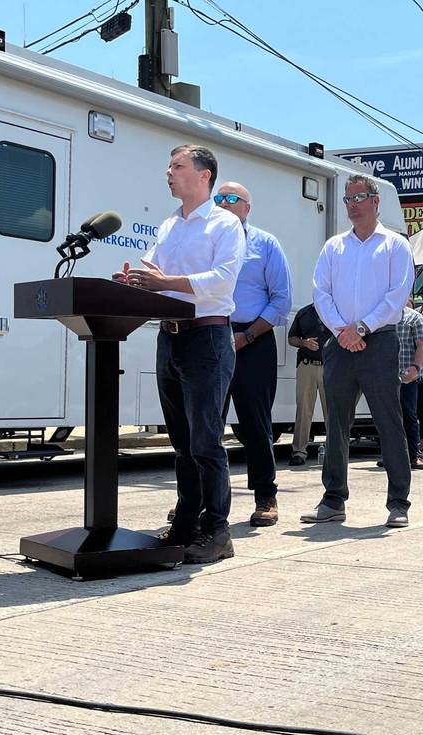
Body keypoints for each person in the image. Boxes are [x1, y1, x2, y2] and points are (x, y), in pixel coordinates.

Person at [113, 144, 244, 564]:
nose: (169, 173)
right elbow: (153, 274)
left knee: (206, 441)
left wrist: (165, 281)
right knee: (182, 443)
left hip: (207, 339)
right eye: (169, 166)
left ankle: (218, 531)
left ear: (204, 175)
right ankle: (186, 523)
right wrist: (133, 281)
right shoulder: (169, 224)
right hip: (169, 338)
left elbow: (222, 281)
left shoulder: (224, 224)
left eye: (178, 166)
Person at [301, 174, 415, 528]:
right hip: (339, 343)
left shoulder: (395, 245)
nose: (352, 205)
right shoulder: (334, 247)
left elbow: (398, 294)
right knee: (336, 423)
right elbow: (321, 293)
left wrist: (362, 327)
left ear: (375, 201)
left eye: (359, 197)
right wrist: (342, 330)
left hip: (379, 341)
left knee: (388, 421)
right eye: (348, 199)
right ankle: (333, 499)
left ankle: (398, 502)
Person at [214, 181, 292, 528]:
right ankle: (197, 498)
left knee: (255, 424)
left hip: (253, 339)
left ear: (247, 207)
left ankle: (265, 497)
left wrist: (246, 336)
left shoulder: (265, 244)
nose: (224, 203)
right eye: (219, 198)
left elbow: (281, 299)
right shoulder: (206, 242)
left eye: (232, 198)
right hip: (211, 336)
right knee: (204, 423)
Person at [287, 302, 332, 466]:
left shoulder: (335, 309)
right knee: (303, 410)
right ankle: (299, 451)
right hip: (307, 365)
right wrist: (304, 343)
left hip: (330, 367)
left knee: (332, 412)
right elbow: (291, 339)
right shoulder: (304, 313)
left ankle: (335, 452)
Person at [397, 300, 423, 470]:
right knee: (388, 417)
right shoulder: (384, 318)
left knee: (409, 415)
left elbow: (422, 344)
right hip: (386, 377)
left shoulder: (414, 317)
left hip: (407, 376)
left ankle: (415, 455)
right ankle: (392, 456)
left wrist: (416, 367)